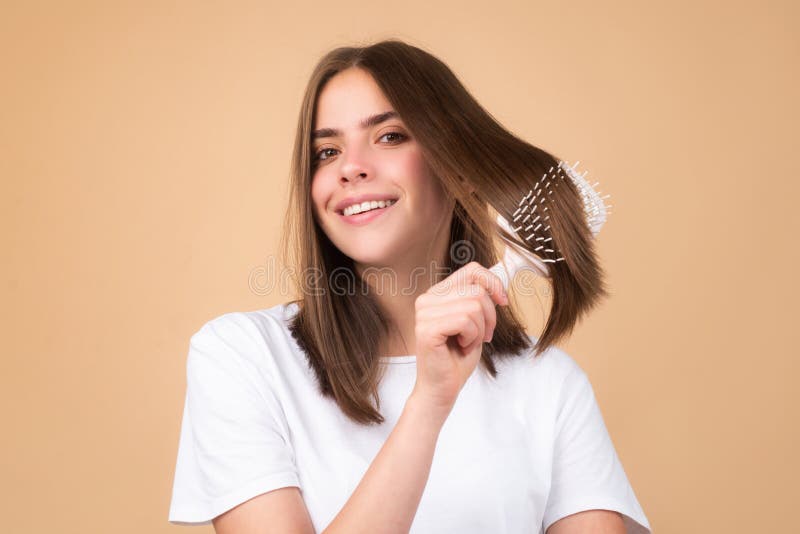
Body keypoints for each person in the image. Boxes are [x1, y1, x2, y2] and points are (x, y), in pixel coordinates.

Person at [168, 39, 652, 534]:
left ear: (456, 167)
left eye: (391, 136)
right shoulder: (242, 358)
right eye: (327, 151)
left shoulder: (550, 384)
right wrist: (429, 403)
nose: (350, 166)